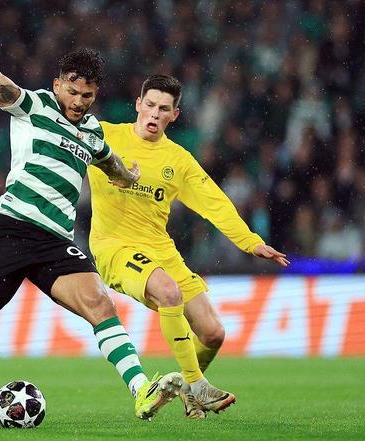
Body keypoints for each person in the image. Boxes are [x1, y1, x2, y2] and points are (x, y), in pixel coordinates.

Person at [0, 11, 181, 420]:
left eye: (87, 95)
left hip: (55, 242)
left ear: (95, 94)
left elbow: (109, 162)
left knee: (101, 304)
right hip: (12, 231)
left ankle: (142, 390)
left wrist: (128, 175)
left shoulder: (93, 132)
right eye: (72, 92)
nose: (78, 102)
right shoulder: (34, 105)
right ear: (58, 85)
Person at [88, 74, 290, 419]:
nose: (155, 114)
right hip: (115, 247)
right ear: (138, 105)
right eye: (150, 105)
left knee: (213, 333)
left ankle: (184, 389)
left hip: (161, 250)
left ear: (174, 115)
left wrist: (250, 242)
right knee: (169, 293)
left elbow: (214, 203)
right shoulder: (105, 136)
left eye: (163, 109)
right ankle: (197, 384)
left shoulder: (178, 160)